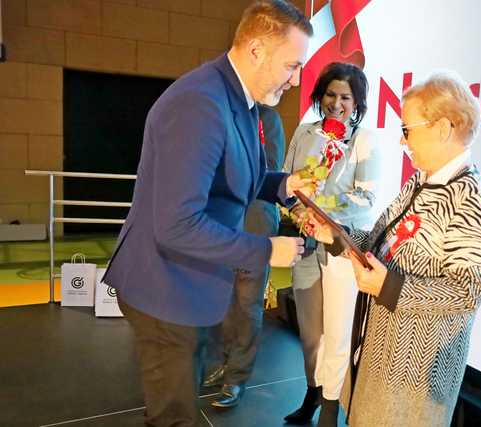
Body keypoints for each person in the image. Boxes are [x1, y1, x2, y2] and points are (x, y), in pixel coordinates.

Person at [103, 2, 313, 426]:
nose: (296, 80)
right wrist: (265, 250)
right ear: (255, 50)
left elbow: (235, 175)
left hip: (189, 287)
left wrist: (282, 185)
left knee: (176, 404)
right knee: (174, 416)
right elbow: (177, 225)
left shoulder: (238, 98)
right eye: (292, 66)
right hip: (165, 290)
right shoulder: (200, 104)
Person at [306, 71, 481, 427]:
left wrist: (389, 287)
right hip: (381, 361)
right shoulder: (422, 181)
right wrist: (336, 235)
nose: (402, 141)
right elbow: (381, 243)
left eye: (408, 130)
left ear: (442, 129)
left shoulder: (473, 199)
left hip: (415, 381)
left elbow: (468, 290)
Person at [282, 62, 380, 426]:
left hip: (341, 248)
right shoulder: (304, 133)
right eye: (330, 95)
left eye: (345, 97)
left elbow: (367, 200)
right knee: (310, 332)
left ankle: (328, 410)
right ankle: (311, 394)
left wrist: (325, 212)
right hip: (305, 244)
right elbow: (286, 182)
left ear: (356, 103)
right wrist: (299, 213)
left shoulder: (363, 140)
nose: (336, 103)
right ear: (319, 97)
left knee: (337, 332)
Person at [202, 104, 286, 407]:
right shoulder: (222, 113)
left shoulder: (268, 119)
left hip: (254, 223)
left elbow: (271, 172)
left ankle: (236, 378)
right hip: (221, 224)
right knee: (221, 299)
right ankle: (220, 364)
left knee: (248, 305)